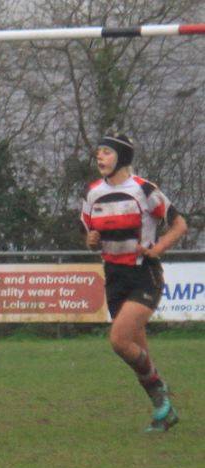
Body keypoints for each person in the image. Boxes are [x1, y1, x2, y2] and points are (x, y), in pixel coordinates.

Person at [81, 132, 187, 432]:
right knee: (140, 355)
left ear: (122, 157)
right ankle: (163, 412)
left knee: (119, 341)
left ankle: (162, 393)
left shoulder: (143, 190)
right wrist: (90, 240)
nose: (99, 157)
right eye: (98, 152)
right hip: (114, 278)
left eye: (106, 152)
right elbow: (91, 236)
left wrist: (157, 249)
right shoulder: (93, 193)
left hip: (144, 275)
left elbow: (179, 224)